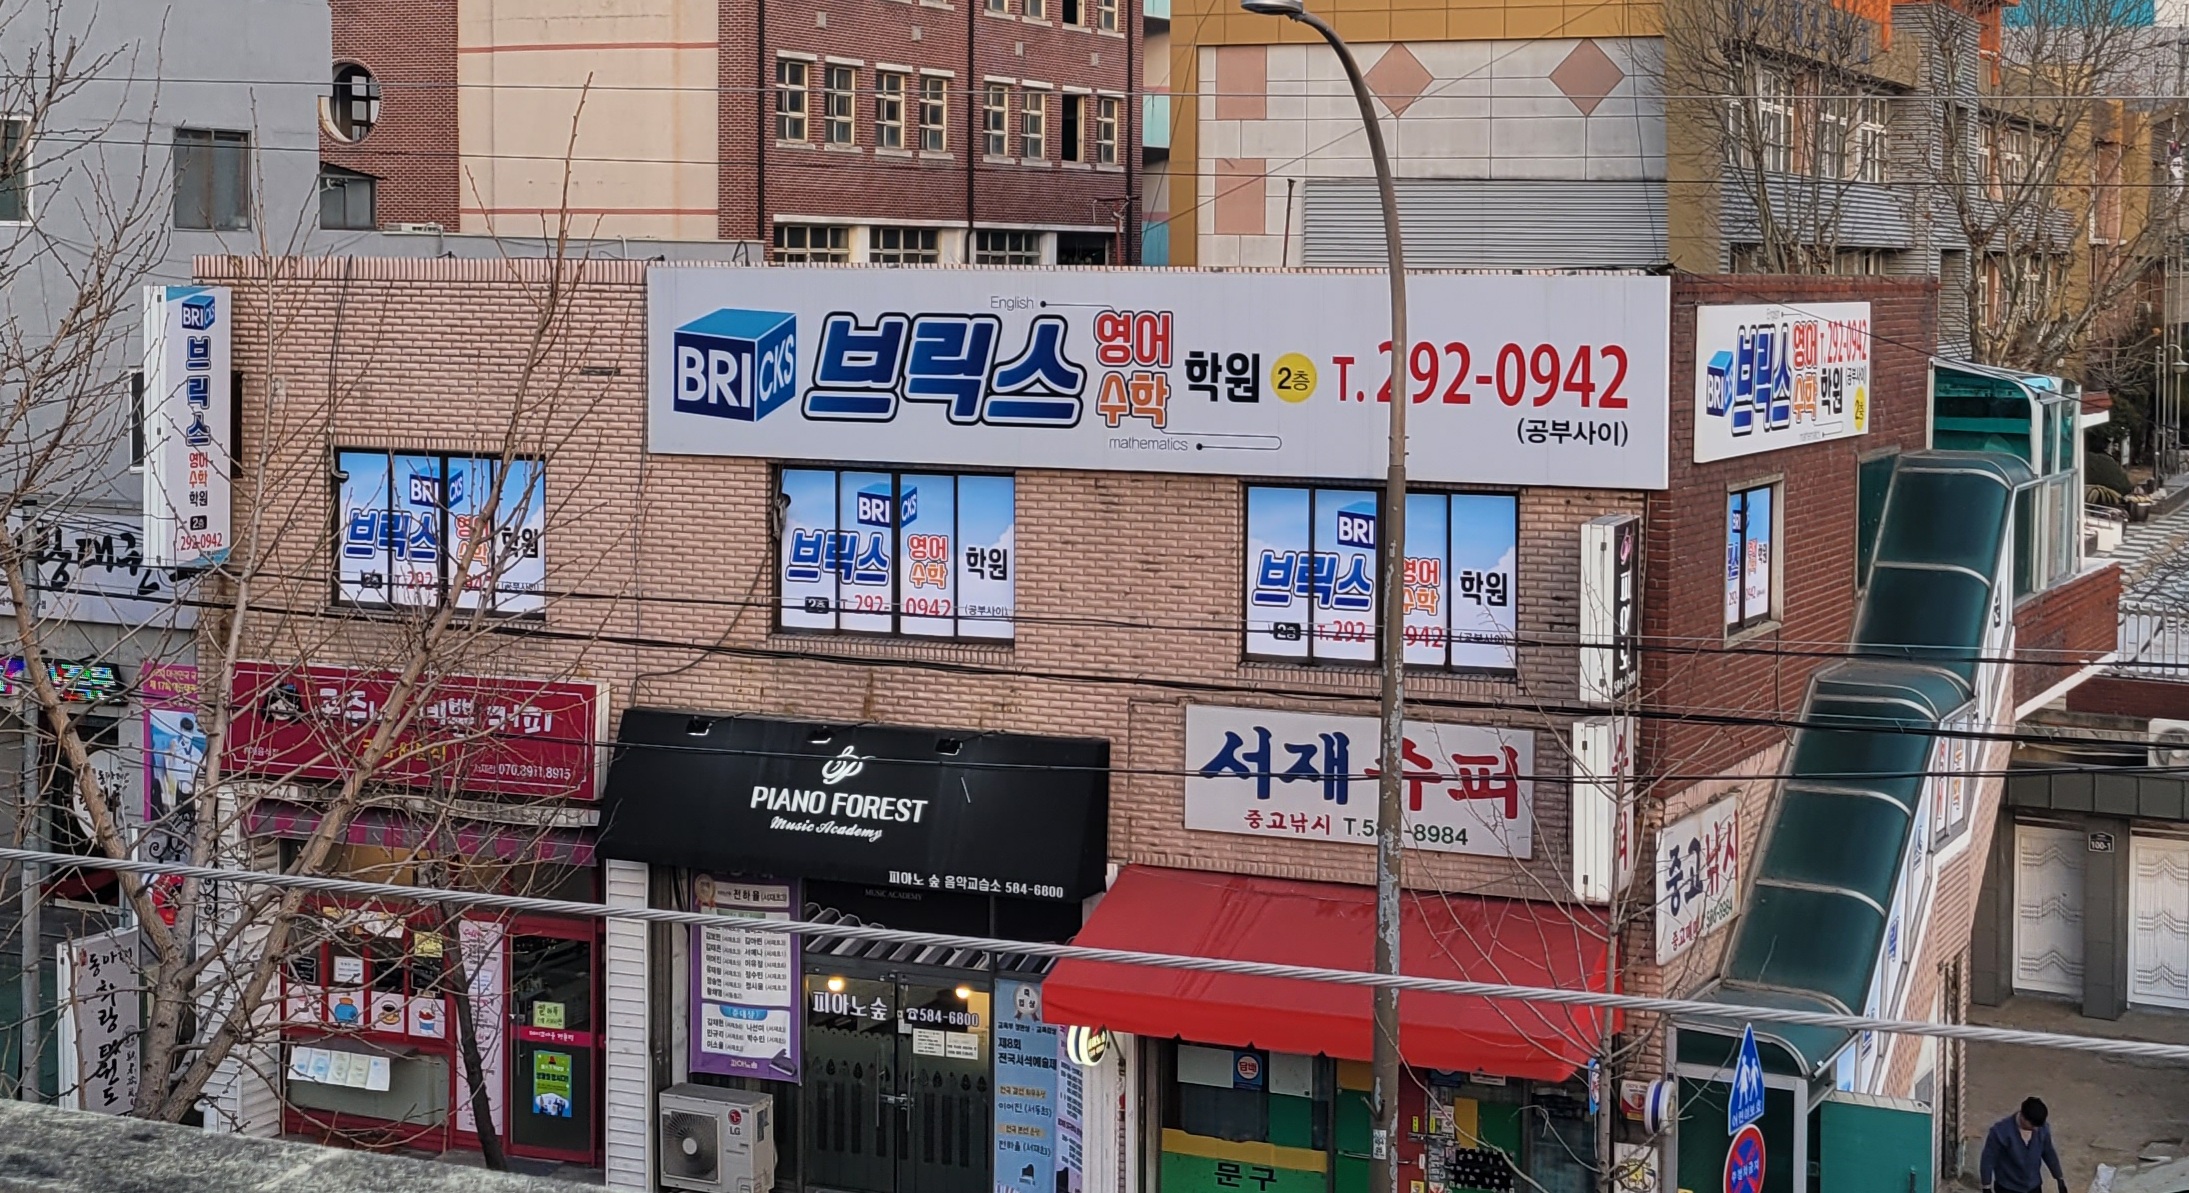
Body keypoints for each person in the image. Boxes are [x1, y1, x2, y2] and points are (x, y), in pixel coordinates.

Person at [1980, 1096, 2068, 1193]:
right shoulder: (2000, 1132)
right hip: (2008, 1187)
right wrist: (1986, 1186)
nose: (2036, 1129)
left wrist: (2059, 1178)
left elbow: (2049, 1153)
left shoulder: (2042, 1129)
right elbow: (1988, 1160)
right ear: (2023, 1117)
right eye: (2033, 1125)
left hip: (2034, 1187)